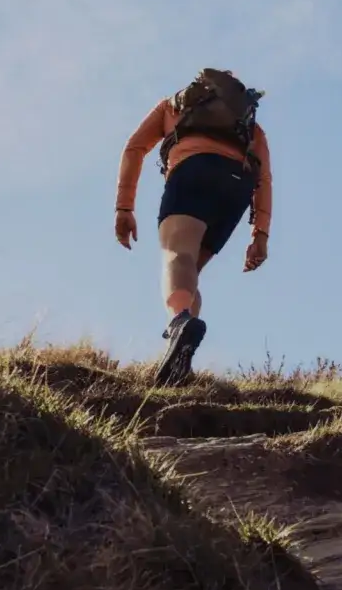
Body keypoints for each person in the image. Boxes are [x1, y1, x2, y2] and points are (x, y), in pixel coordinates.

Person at [114, 68, 273, 386]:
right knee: (190, 273)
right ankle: (180, 359)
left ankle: (179, 322)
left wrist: (125, 207)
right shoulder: (249, 126)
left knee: (177, 255)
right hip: (237, 186)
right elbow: (264, 178)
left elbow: (134, 149)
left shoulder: (173, 106)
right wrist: (260, 234)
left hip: (193, 170)